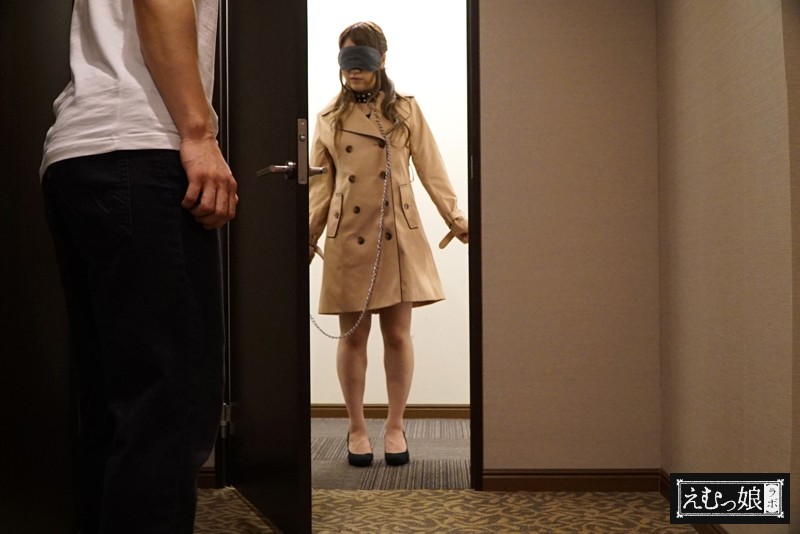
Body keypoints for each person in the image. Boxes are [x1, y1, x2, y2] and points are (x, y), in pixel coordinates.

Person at [39, 1, 237, 532]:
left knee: (118, 408)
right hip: (139, 147)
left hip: (87, 153)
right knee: (169, 407)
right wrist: (199, 134)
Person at [309, 21, 468, 468]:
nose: (354, 70)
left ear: (381, 59)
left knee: (397, 335)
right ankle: (356, 428)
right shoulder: (327, 118)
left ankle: (395, 426)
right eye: (347, 60)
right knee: (352, 337)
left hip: (397, 232)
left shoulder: (404, 111)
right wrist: (307, 235)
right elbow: (320, 187)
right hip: (348, 236)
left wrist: (455, 218)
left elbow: (433, 169)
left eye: (362, 59)